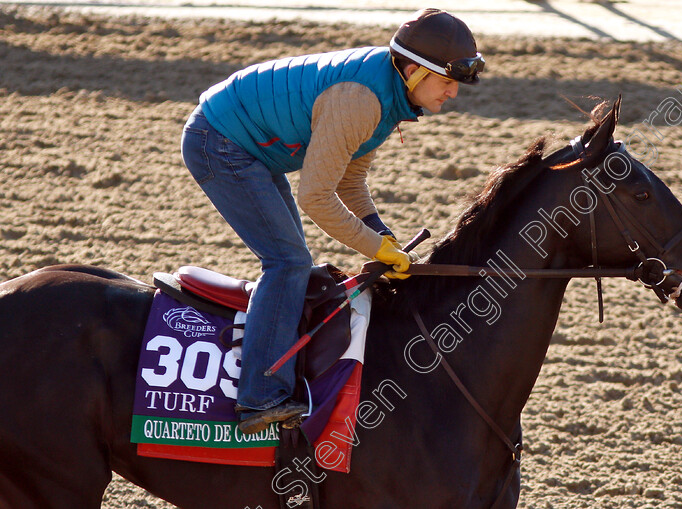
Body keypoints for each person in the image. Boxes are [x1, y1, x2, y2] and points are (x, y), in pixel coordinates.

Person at [180, 8, 484, 434]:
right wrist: (374, 249)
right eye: (447, 81)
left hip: (247, 143)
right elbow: (316, 197)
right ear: (414, 71)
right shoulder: (361, 100)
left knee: (291, 259)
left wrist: (381, 233)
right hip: (220, 141)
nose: (453, 94)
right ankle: (258, 399)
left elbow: (350, 178)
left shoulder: (388, 93)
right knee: (287, 262)